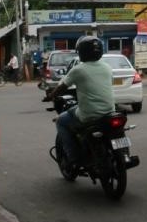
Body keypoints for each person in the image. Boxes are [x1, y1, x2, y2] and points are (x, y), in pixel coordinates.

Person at [42, 35, 115, 172]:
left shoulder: (78, 70)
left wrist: (51, 96)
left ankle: (73, 158)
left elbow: (62, 87)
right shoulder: (107, 67)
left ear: (81, 52)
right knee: (76, 109)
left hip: (89, 114)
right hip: (109, 112)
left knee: (61, 122)